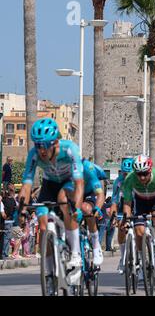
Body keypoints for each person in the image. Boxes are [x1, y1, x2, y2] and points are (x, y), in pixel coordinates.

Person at [18, 118, 85, 279]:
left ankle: (75, 253)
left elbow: (79, 183)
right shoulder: (34, 155)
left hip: (69, 182)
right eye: (37, 144)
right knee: (43, 226)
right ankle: (49, 272)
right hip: (49, 184)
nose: (41, 149)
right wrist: (22, 209)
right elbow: (27, 184)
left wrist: (76, 207)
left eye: (44, 145)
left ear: (55, 142)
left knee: (64, 201)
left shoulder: (69, 149)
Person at [121, 155, 155, 270]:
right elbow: (127, 203)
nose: (142, 177)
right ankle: (142, 261)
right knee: (139, 232)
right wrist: (127, 220)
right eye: (139, 174)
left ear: (150, 170)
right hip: (140, 202)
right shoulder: (129, 178)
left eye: (145, 174)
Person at [65, 158, 106, 267]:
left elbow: (100, 194)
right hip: (73, 194)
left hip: (88, 192)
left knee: (85, 208)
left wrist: (97, 208)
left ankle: (96, 246)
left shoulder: (89, 169)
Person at [110, 158, 133, 274]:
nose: (126, 176)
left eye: (128, 173)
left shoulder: (138, 180)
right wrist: (113, 217)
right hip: (123, 205)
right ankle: (123, 257)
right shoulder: (118, 182)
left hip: (137, 204)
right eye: (124, 173)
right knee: (121, 228)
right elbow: (114, 201)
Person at [2, 183, 18, 259]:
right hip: (5, 221)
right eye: (12, 189)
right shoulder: (4, 199)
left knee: (8, 238)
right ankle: (4, 255)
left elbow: (15, 207)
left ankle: (5, 254)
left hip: (11, 221)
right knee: (6, 238)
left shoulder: (12, 199)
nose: (13, 190)